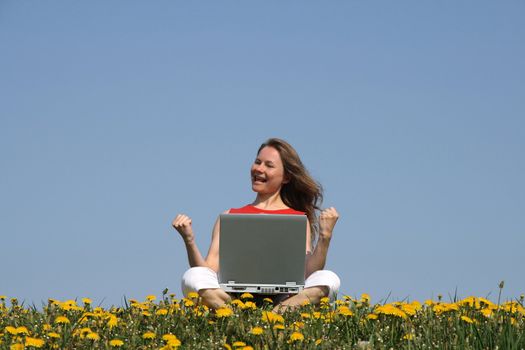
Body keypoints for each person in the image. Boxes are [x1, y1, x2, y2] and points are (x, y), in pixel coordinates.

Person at [172, 138, 340, 311]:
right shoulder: (229, 216)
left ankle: (279, 311)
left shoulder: (298, 219)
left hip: (284, 296)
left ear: (287, 177)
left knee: (329, 279)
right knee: (191, 276)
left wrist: (324, 237)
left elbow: (307, 273)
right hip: (233, 295)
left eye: (269, 165)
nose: (259, 169)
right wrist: (189, 240)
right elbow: (208, 269)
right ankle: (237, 310)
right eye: (257, 162)